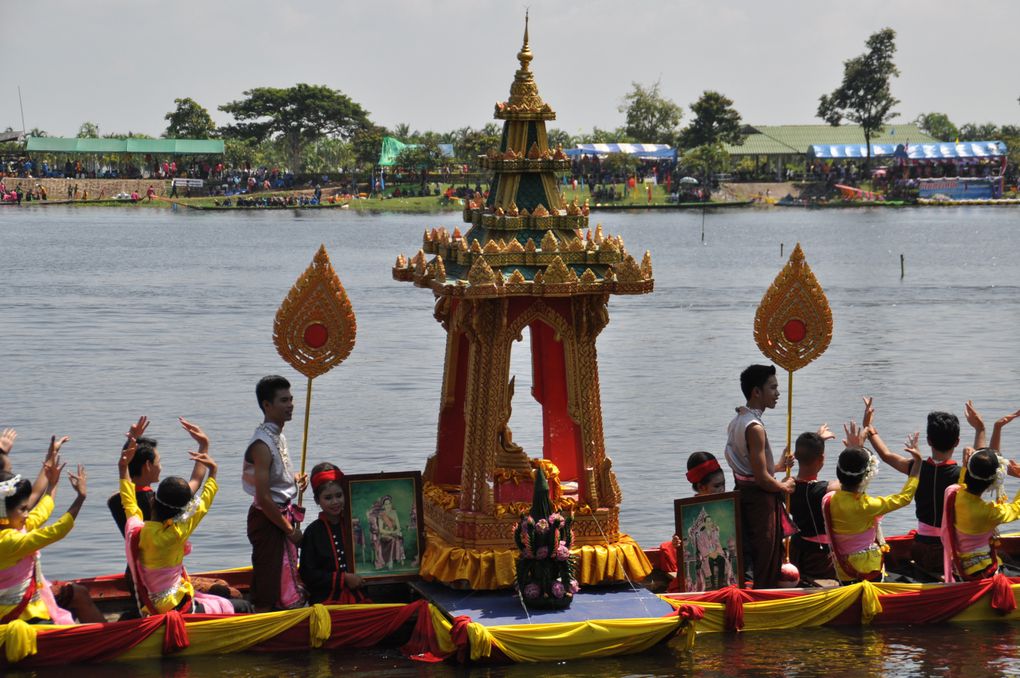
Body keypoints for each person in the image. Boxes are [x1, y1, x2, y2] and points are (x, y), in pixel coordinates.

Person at [118, 432, 248, 614]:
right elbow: (202, 505)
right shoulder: (177, 532)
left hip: (150, 605)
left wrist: (123, 468)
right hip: (176, 605)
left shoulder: (139, 529)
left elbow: (129, 503)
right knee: (242, 606)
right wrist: (213, 474)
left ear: (152, 502)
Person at [864, 398, 968, 578]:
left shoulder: (916, 468)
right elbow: (986, 463)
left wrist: (869, 428)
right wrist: (980, 429)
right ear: (957, 442)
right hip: (949, 549)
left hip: (920, 547)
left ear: (928, 440)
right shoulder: (963, 475)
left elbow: (886, 455)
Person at [0, 450, 103, 624]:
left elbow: (42, 512)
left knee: (79, 592)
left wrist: (53, 484)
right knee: (77, 597)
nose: (27, 514)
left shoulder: (13, 526)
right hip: (20, 616)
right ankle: (104, 640)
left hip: (31, 600)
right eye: (23, 509)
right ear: (4, 513)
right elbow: (57, 531)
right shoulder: (9, 541)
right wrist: (81, 497)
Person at [822, 422, 921, 584]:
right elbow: (905, 498)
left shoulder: (829, 499)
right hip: (867, 569)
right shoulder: (868, 505)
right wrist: (916, 466)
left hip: (842, 568)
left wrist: (852, 452)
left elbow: (852, 486)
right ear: (866, 477)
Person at [724, 364, 793, 588]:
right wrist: (785, 487)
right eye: (772, 388)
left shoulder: (737, 420)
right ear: (756, 392)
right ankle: (763, 596)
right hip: (759, 500)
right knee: (765, 554)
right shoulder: (754, 427)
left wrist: (779, 466)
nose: (777, 393)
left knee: (753, 550)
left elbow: (750, 468)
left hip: (743, 493)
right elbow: (762, 479)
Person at [244, 375, 307, 612]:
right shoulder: (261, 444)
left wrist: (294, 479)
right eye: (283, 400)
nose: (290, 405)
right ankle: (263, 618)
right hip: (269, 517)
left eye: (291, 399)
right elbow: (263, 498)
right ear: (267, 405)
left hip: (281, 513)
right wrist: (289, 530)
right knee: (268, 581)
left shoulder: (278, 435)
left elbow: (276, 477)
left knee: (283, 574)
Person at [107, 416, 207, 535]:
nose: (160, 467)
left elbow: (125, 471)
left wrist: (131, 442)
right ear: (148, 465)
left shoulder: (115, 500)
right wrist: (204, 445)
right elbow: (196, 479)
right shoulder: (158, 502)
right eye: (158, 462)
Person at [942, 447, 1020, 581]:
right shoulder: (988, 513)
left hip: (961, 567)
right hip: (985, 570)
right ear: (993, 482)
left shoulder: (954, 493)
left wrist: (966, 464)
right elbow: (1016, 509)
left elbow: (962, 482)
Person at [299, 463, 366, 604]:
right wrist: (344, 579)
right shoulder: (313, 532)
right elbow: (308, 574)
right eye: (328, 498)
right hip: (325, 599)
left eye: (339, 495)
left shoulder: (355, 525)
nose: (335, 502)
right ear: (318, 500)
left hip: (360, 595)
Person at [659, 451, 727, 591]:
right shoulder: (690, 511)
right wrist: (677, 543)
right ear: (702, 487)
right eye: (717, 486)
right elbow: (688, 541)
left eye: (723, 484)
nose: (722, 489)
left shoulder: (729, 506)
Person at [789, 428, 839, 584]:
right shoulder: (827, 489)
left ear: (796, 456)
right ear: (822, 458)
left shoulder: (787, 486)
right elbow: (853, 478)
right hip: (819, 558)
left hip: (797, 550)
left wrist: (818, 440)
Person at [368, 495, 405, 569]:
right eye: (386, 504)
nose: (388, 505)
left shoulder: (394, 513)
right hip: (384, 535)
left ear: (391, 504)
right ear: (383, 505)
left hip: (394, 534)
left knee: (396, 538)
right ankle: (389, 561)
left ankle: (392, 560)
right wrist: (391, 533)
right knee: (393, 539)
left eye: (389, 503)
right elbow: (381, 530)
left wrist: (395, 532)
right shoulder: (381, 515)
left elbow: (398, 527)